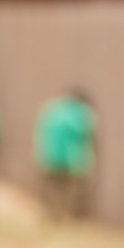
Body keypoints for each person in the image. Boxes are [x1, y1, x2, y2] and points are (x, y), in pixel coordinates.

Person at [34, 90, 97, 219]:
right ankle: (65, 215)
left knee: (52, 189)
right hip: (68, 160)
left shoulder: (52, 109)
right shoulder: (80, 114)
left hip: (49, 156)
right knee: (68, 191)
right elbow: (88, 134)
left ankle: (50, 214)